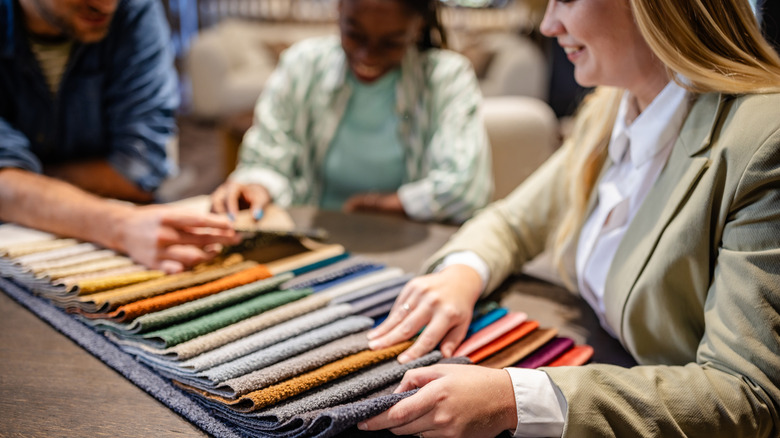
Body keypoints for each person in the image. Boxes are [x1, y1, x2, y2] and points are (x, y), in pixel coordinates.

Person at [361, 0, 780, 436]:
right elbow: (513, 221)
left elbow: (746, 395)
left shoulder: (764, 139)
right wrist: (462, 272)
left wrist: (515, 399)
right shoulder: (612, 104)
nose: (547, 23)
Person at [0, 0, 239, 273]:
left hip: (133, 227)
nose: (108, 5)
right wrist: (118, 226)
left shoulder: (135, 9)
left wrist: (24, 189)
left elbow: (140, 169)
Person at [210, 0, 493, 224]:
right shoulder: (302, 65)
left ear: (417, 26)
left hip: (406, 243)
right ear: (339, 10)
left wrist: (387, 205)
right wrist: (257, 186)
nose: (367, 56)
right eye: (354, 35)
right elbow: (268, 161)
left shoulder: (446, 77)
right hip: (311, 236)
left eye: (390, 42)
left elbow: (466, 188)